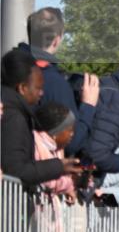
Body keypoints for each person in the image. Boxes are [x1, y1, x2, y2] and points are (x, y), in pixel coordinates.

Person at [16, 6, 100, 156]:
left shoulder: (8, 69)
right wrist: (88, 105)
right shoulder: (55, 84)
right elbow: (71, 143)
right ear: (57, 40)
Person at [0, 50, 81, 196]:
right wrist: (60, 166)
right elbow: (16, 170)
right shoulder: (13, 118)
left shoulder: (16, 113)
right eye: (38, 88)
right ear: (23, 88)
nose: (42, 93)